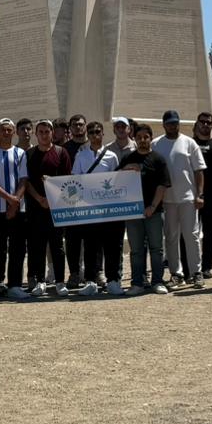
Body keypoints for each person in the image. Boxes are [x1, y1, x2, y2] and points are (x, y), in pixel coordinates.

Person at [152, 109, 205, 288]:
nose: (173, 126)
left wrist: (199, 194)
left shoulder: (189, 143)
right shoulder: (155, 144)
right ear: (164, 124)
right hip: (166, 199)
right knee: (171, 237)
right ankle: (176, 273)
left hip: (188, 198)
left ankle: (196, 272)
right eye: (169, 123)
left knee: (192, 236)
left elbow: (199, 171)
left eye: (175, 123)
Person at [71, 120, 122, 296]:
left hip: (107, 208)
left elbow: (117, 182)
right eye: (91, 132)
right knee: (90, 246)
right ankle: (91, 281)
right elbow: (75, 180)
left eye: (97, 132)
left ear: (102, 134)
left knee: (111, 246)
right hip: (88, 208)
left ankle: (113, 280)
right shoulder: (81, 156)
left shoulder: (112, 156)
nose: (94, 135)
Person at [0, 118, 31, 300]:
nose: (6, 133)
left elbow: (24, 179)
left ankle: (15, 285)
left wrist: (15, 201)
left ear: (13, 132)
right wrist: (10, 199)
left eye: (9, 130)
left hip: (18, 208)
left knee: (18, 248)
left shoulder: (20, 153)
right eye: (3, 129)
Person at [122, 122, 171, 294]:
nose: (142, 140)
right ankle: (137, 283)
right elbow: (115, 183)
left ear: (150, 138)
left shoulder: (158, 159)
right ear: (134, 139)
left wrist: (152, 206)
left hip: (154, 212)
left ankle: (157, 281)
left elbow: (162, 185)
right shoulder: (127, 159)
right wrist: (124, 170)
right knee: (136, 251)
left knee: (156, 249)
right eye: (139, 137)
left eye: (146, 137)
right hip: (133, 213)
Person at [24, 119, 71, 295]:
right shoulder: (29, 154)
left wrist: (51, 198)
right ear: (36, 134)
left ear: (52, 133)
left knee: (57, 246)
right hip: (35, 207)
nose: (44, 135)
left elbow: (67, 181)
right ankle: (40, 281)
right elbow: (26, 181)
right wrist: (39, 198)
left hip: (56, 207)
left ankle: (60, 281)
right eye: (41, 132)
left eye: (47, 131)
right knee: (37, 246)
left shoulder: (61, 152)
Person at [189, 111, 212, 281]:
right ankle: (190, 266)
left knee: (210, 233)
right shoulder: (188, 144)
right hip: (190, 196)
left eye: (208, 122)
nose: (205, 125)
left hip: (211, 196)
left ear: (211, 125)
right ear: (196, 124)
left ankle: (206, 267)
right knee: (189, 233)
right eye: (202, 122)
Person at [60, 114, 90, 288]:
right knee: (72, 239)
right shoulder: (64, 149)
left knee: (93, 239)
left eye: (81, 124)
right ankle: (74, 273)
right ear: (70, 128)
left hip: (92, 200)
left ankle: (94, 272)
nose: (78, 127)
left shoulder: (94, 146)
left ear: (85, 126)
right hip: (71, 200)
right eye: (75, 125)